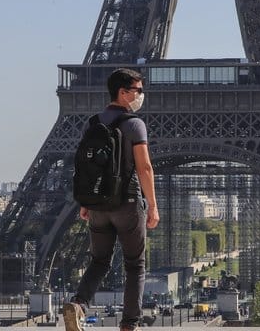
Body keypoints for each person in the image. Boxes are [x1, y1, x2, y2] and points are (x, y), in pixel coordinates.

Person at [64, 68, 160, 331]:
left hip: (98, 206)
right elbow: (145, 168)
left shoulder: (92, 123)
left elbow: (86, 168)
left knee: (99, 261)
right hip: (127, 204)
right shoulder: (134, 124)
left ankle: (79, 304)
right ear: (123, 92)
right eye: (138, 90)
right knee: (135, 266)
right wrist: (152, 205)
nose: (141, 95)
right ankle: (130, 324)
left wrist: (86, 202)